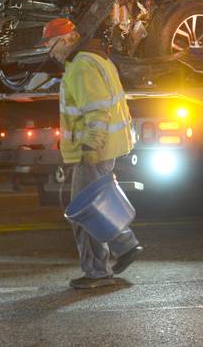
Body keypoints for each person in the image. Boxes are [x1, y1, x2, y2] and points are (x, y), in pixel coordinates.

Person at [41, 18, 143, 289]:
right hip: (104, 148)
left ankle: (99, 271)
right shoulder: (95, 59)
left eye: (51, 44)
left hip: (94, 150)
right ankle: (124, 245)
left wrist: (90, 146)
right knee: (94, 208)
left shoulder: (82, 66)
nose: (50, 52)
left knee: (82, 213)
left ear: (66, 39)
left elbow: (97, 110)